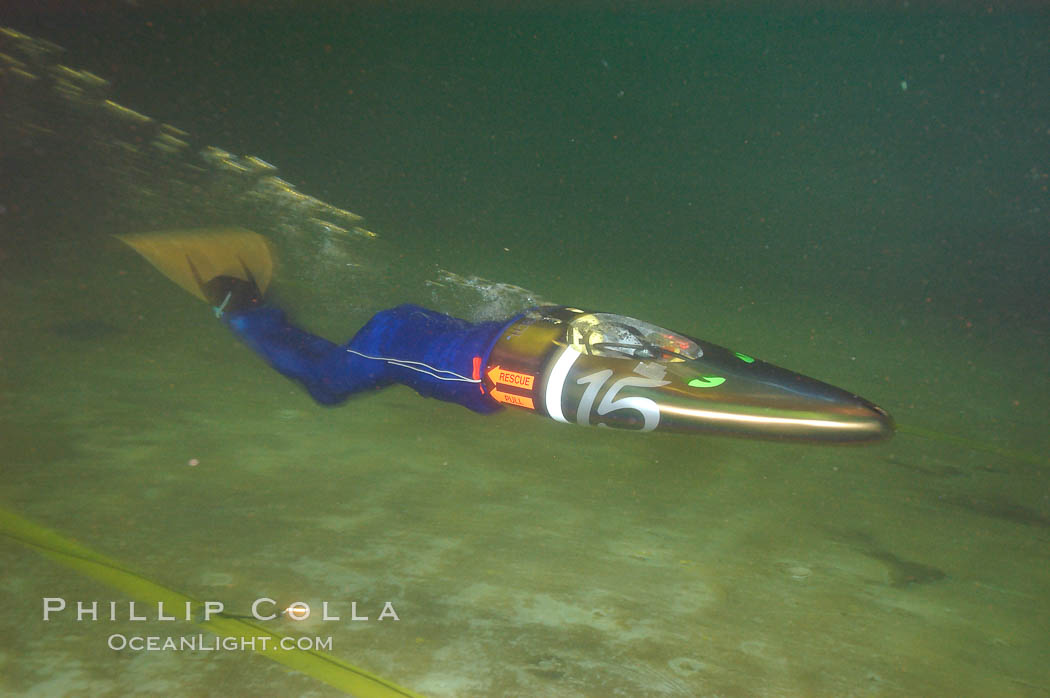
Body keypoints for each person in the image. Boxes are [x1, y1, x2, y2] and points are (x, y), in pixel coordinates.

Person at [119, 228, 894, 442]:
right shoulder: (516, 381)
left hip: (467, 341)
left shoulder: (528, 369)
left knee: (451, 364)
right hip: (429, 343)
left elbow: (668, 363)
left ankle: (250, 304)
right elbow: (575, 388)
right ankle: (238, 308)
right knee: (327, 387)